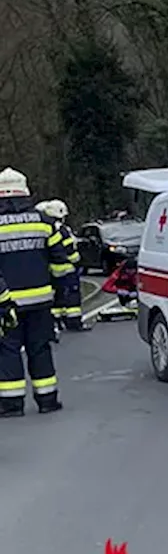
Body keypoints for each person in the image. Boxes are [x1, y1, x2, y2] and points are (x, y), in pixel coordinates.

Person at [0, 168, 74, 416]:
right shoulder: (45, 222)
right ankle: (47, 400)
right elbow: (62, 265)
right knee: (40, 348)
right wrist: (62, 297)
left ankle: (12, 404)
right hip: (41, 302)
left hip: (5, 304)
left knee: (8, 351)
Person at [35, 200, 83, 332]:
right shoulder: (62, 229)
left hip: (51, 271)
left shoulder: (45, 228)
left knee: (58, 297)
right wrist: (77, 261)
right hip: (67, 269)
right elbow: (69, 250)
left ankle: (56, 322)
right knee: (72, 296)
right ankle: (74, 322)